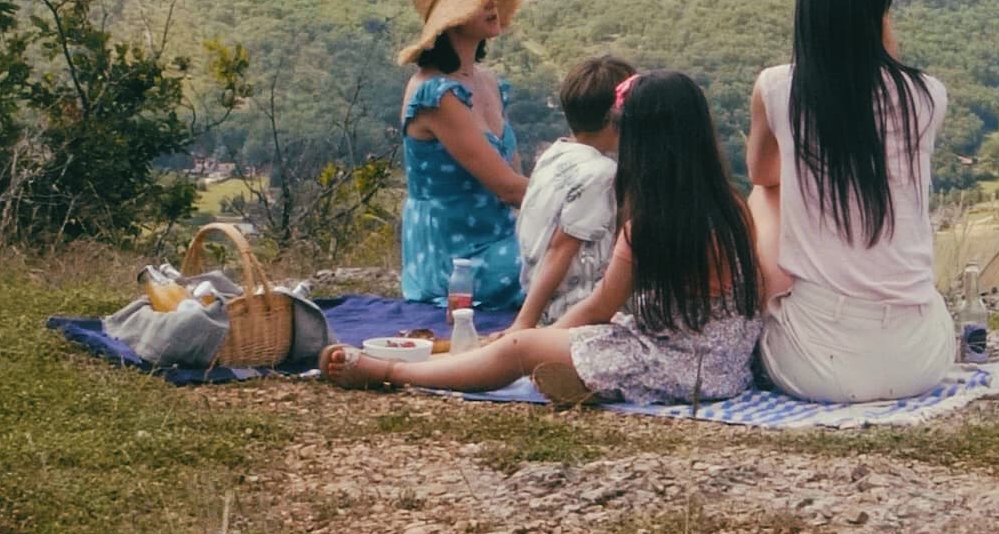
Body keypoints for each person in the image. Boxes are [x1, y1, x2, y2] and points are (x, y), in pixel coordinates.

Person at [324, 70, 763, 406]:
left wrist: (534, 332)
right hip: (725, 365)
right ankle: (586, 379)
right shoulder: (732, 206)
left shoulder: (649, 227)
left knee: (520, 348)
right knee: (550, 345)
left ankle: (393, 372)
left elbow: (599, 308)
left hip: (674, 363)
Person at [747, 0, 957, 401]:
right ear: (884, 0)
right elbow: (882, 76)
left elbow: (762, 173)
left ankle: (763, 308)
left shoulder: (778, 88)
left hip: (816, 365)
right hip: (920, 359)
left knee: (763, 195)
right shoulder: (928, 97)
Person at [394, 0, 531, 309]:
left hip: (500, 240)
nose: (491, 2)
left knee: (579, 255)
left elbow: (516, 184)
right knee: (576, 259)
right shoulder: (435, 95)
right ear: (450, 19)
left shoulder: (487, 83)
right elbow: (508, 188)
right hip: (456, 259)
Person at [512, 53, 636, 331]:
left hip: (546, 304)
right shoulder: (600, 174)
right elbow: (561, 250)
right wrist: (523, 325)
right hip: (574, 312)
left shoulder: (554, 153)